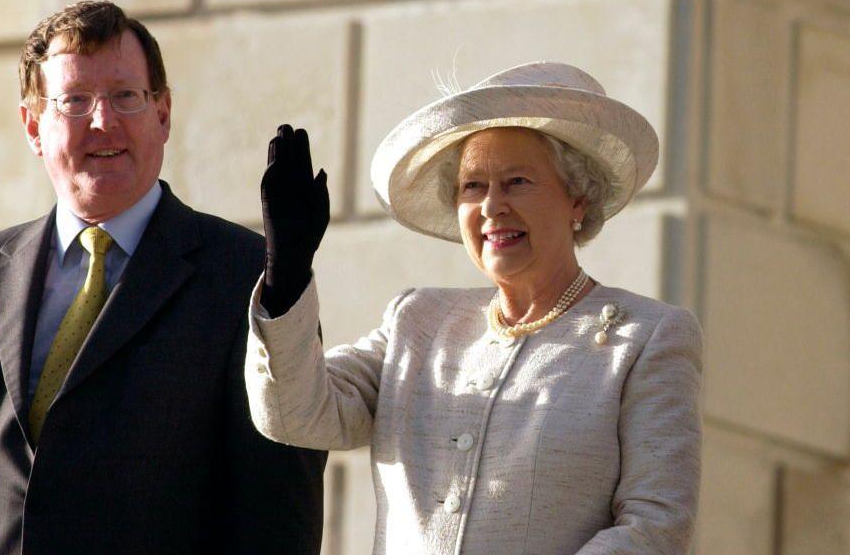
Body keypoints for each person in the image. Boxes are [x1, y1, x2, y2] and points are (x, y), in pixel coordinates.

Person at [0, 0, 325, 555]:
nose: (103, 121)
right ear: (33, 126)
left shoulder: (246, 277)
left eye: (125, 97)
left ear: (162, 114)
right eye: (74, 101)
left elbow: (278, 519)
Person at [248, 62, 701, 554]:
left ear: (578, 199)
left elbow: (656, 526)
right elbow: (296, 415)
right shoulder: (416, 321)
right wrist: (286, 274)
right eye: (473, 187)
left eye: (517, 181)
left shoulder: (647, 337)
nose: (491, 207)